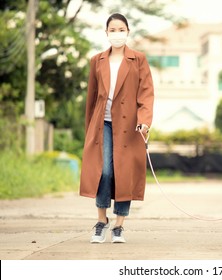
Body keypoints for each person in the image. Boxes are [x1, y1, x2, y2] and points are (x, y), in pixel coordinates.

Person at [79, 13, 154, 243]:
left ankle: (119, 225)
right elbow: (91, 96)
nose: (117, 33)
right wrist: (89, 129)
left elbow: (146, 93)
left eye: (121, 29)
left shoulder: (138, 59)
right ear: (106, 33)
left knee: (124, 172)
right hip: (102, 123)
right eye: (113, 29)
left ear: (128, 32)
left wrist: (144, 121)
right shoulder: (97, 60)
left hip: (130, 126)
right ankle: (101, 221)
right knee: (105, 171)